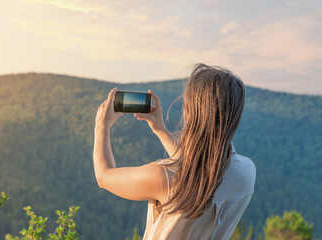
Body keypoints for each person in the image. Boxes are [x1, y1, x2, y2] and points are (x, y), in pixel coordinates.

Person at [93, 63, 256, 240]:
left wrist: (102, 126)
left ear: (191, 112)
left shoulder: (163, 177)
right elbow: (195, 167)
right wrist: (160, 129)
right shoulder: (247, 172)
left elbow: (104, 176)